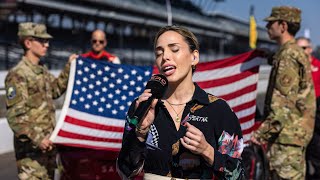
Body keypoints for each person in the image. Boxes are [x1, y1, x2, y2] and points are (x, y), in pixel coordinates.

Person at [117, 25, 245, 179]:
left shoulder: (219, 109)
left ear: (194, 57)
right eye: (159, 52)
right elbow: (124, 171)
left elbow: (239, 174)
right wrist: (140, 134)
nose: (165, 57)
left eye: (174, 49)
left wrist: (207, 151)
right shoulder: (142, 106)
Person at [5, 22, 77, 179]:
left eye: (47, 41)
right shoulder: (18, 74)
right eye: (42, 41)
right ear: (28, 43)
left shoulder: (42, 71)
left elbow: (56, 90)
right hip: (31, 154)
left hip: (48, 150)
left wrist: (69, 67)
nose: (47, 44)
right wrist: (38, 139)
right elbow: (15, 117)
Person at [251, 6, 316, 180]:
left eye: (271, 23)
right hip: (291, 137)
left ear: (283, 26)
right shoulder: (291, 52)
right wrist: (268, 56)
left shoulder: (288, 56)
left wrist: (260, 134)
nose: (267, 27)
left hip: (286, 140)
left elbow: (283, 107)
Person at [58, 29, 122, 180]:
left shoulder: (112, 60)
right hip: (88, 108)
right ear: (91, 42)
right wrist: (71, 64)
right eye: (94, 41)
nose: (97, 44)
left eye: (100, 41)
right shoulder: (82, 60)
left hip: (105, 109)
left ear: (105, 42)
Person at [296, 37, 320, 180]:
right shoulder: (293, 68)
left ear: (310, 49)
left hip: (316, 117)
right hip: (298, 117)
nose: (302, 51)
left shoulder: (318, 66)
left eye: (304, 48)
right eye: (299, 48)